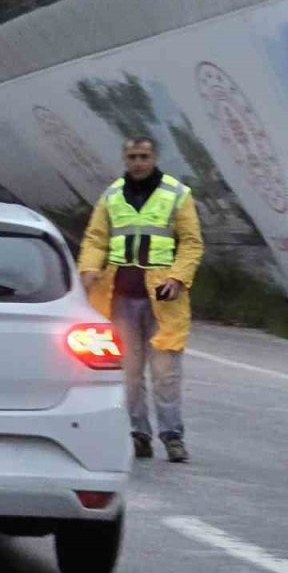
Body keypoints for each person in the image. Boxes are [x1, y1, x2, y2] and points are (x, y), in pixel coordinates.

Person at [78, 137, 205, 462]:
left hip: (163, 301)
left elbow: (191, 243)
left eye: (144, 156)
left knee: (165, 373)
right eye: (133, 156)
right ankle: (138, 434)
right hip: (120, 298)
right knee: (128, 373)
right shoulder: (112, 195)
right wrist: (90, 269)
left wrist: (177, 277)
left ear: (154, 158)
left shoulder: (177, 194)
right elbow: (96, 239)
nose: (138, 162)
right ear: (125, 158)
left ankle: (172, 436)